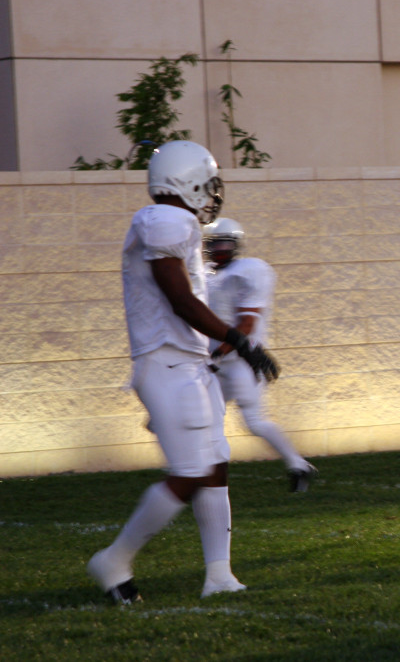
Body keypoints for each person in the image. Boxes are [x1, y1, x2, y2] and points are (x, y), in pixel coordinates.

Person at [87, 140, 279, 605]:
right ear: (186, 182)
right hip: (167, 363)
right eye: (207, 183)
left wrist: (222, 348)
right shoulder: (166, 219)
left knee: (214, 464)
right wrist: (238, 341)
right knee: (193, 471)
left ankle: (219, 575)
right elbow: (181, 299)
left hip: (188, 364)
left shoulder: (176, 223)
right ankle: (114, 559)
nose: (212, 193)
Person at [203, 217, 317, 492]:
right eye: (215, 243)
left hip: (242, 361)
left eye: (225, 243)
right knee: (201, 418)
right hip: (214, 362)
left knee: (253, 421)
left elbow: (246, 324)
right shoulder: (204, 274)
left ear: (236, 245)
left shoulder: (249, 271)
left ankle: (299, 466)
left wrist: (217, 353)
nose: (219, 249)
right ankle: (199, 474)